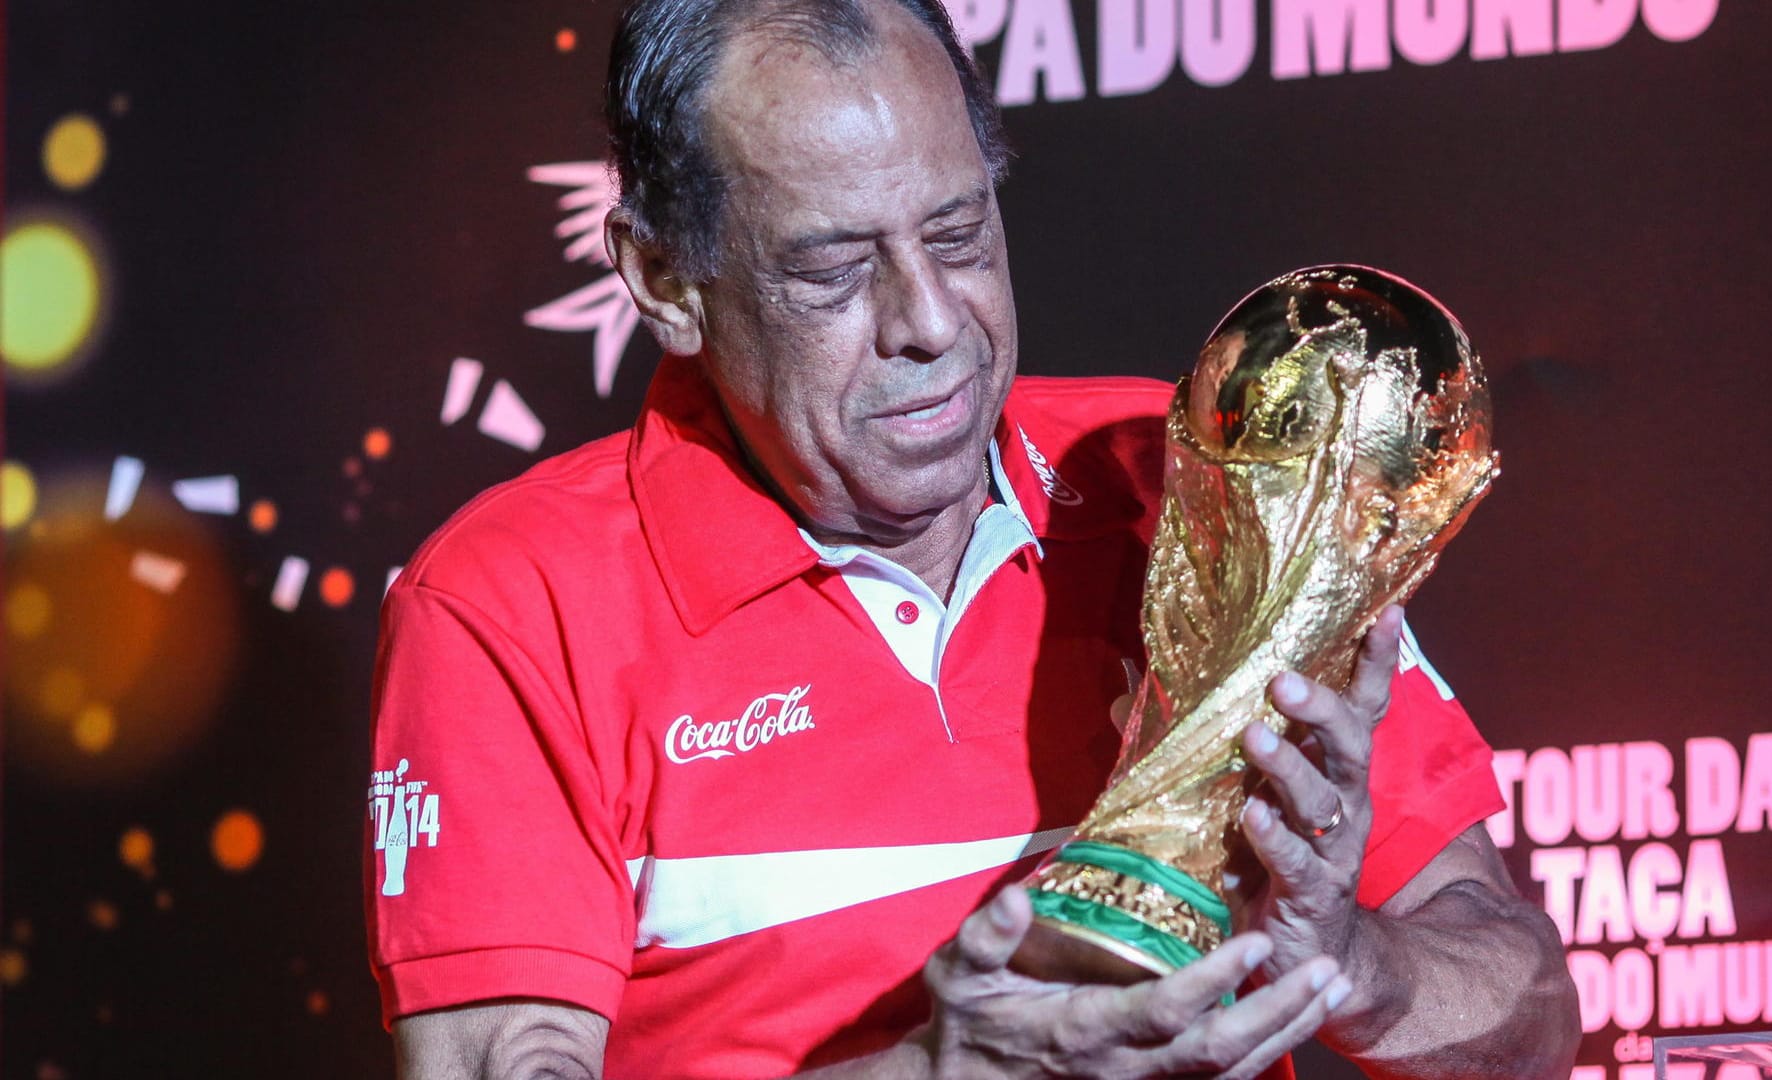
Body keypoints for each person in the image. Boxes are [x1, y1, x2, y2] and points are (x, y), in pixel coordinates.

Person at [364, 0, 1580, 1076]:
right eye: (832, 272)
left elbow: (1532, 1023)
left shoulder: (1184, 475)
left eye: (958, 234)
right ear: (666, 280)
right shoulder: (508, 604)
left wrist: (1345, 964)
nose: (932, 322)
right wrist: (955, 1070)